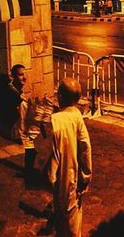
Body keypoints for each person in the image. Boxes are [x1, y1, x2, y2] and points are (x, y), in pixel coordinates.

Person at [46, 78, 94, 236]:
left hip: (62, 179)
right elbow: (85, 148)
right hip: (74, 179)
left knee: (65, 222)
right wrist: (85, 177)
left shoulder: (55, 121)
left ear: (59, 96)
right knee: (73, 221)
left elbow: (49, 155)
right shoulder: (77, 116)